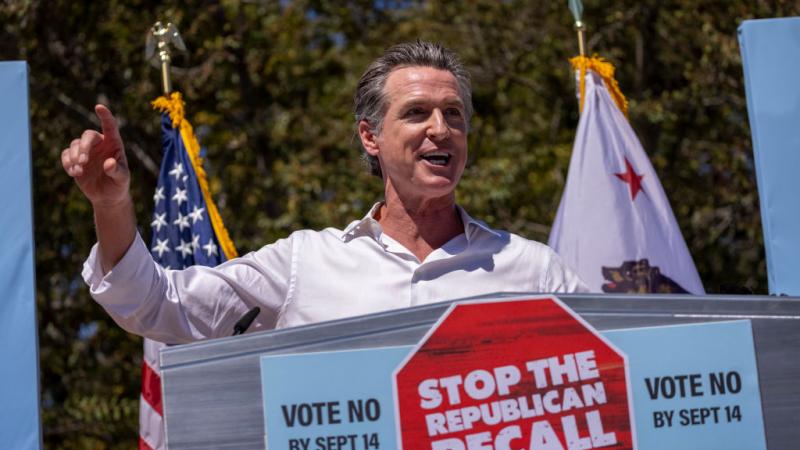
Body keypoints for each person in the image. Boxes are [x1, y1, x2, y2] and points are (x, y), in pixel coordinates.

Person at [62, 41, 586, 344]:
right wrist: (111, 205)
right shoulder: (306, 264)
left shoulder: (532, 270)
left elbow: (615, 370)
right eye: (416, 113)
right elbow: (157, 304)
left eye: (454, 114)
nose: (440, 129)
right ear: (370, 137)